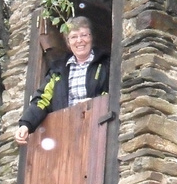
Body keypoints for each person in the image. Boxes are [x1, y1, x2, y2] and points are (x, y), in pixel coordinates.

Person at [14, 16, 110, 145]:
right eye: (74, 37)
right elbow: (42, 100)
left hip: (97, 129)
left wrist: (95, 103)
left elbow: (112, 91)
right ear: (68, 42)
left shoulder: (106, 64)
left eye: (84, 35)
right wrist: (26, 125)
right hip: (65, 133)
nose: (79, 40)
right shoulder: (58, 70)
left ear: (91, 37)